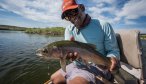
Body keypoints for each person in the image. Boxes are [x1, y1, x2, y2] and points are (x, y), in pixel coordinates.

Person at [50, 0, 120, 84]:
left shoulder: (103, 25)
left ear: (82, 8)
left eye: (73, 12)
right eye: (67, 16)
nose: (72, 17)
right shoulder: (69, 29)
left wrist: (112, 59)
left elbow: (113, 51)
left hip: (99, 65)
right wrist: (66, 56)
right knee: (54, 78)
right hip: (77, 64)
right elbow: (68, 53)